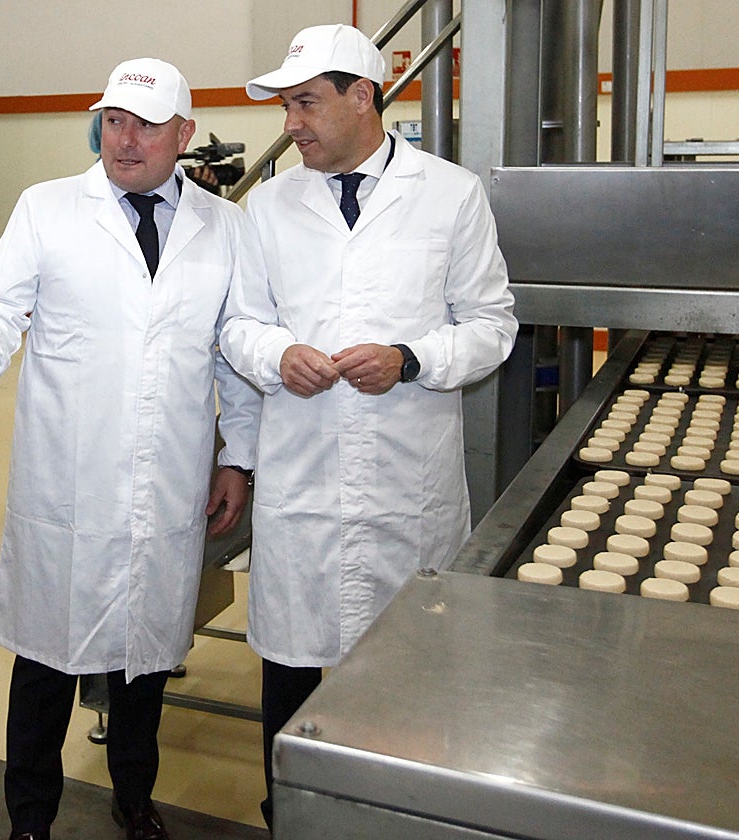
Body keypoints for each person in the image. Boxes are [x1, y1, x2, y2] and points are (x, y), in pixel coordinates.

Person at [0, 58, 260, 840]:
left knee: (145, 661)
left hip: (169, 477)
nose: (125, 140)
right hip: (69, 481)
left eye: (147, 126)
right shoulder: (48, 207)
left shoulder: (224, 226)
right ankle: (29, 818)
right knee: (45, 661)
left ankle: (134, 797)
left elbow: (235, 350)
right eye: (114, 121)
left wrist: (238, 456)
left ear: (184, 134)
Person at [219, 24, 518, 829]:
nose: (291, 124)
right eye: (286, 107)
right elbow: (239, 325)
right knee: (292, 675)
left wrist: (410, 359)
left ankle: (401, 817)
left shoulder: (450, 194)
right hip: (304, 484)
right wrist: (279, 354)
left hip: (404, 485)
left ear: (362, 97)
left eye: (306, 104)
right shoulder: (268, 207)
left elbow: (492, 325)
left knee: (410, 680)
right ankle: (289, 815)